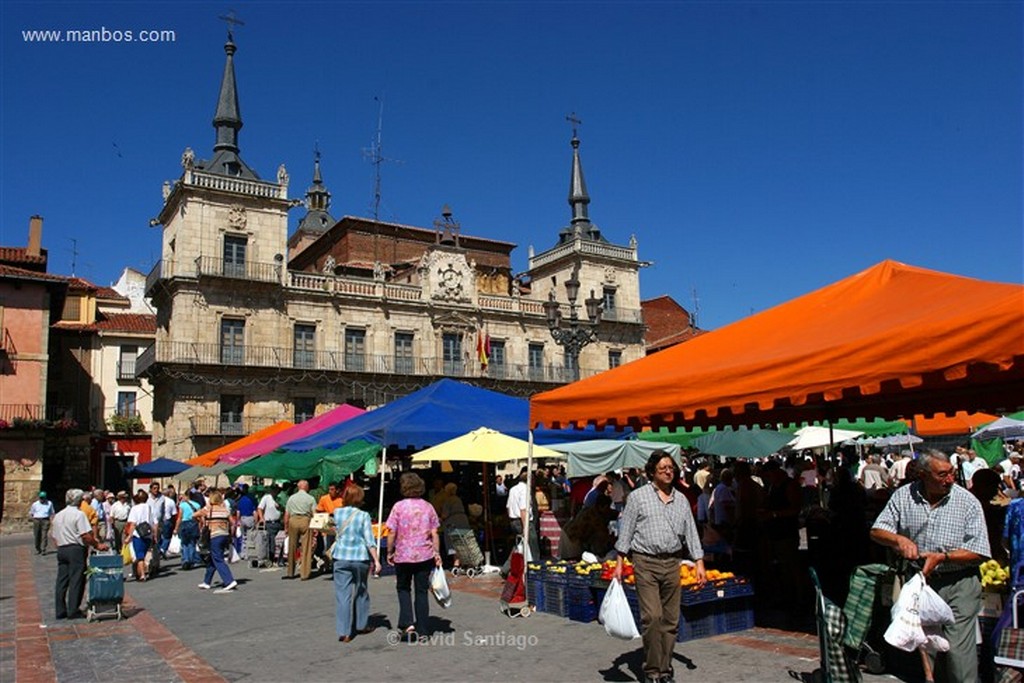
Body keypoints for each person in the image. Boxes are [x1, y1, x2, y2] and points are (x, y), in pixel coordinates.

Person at [870, 449, 990, 683]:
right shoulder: (903, 496)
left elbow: (980, 551)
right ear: (924, 475)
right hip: (921, 583)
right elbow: (877, 530)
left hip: (959, 582)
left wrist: (943, 557)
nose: (950, 480)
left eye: (952, 473)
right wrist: (899, 539)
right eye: (942, 475)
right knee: (927, 647)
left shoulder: (967, 502)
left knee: (958, 651)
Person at [614, 451, 706, 683]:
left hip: (673, 562)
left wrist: (699, 562)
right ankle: (652, 670)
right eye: (663, 468)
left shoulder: (681, 500)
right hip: (645, 562)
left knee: (670, 620)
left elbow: (691, 533)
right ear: (652, 472)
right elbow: (626, 531)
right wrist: (619, 562)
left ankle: (665, 670)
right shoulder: (638, 497)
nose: (668, 471)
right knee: (652, 617)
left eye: (671, 468)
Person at [386, 472, 442, 640]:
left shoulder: (398, 507)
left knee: (403, 588)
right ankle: (423, 630)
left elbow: (391, 532)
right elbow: (435, 533)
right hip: (424, 554)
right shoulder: (428, 507)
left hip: (403, 554)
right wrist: (437, 553)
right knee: (421, 591)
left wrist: (389, 551)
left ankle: (407, 622)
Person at [332, 484, 381, 642]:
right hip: (360, 557)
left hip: (341, 557)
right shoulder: (363, 515)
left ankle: (344, 631)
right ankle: (361, 624)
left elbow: (334, 530)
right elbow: (369, 540)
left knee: (343, 595)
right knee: (361, 591)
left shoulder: (337, 513)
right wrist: (376, 560)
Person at [52, 489, 108, 619]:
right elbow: (85, 535)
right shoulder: (79, 515)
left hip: (62, 548)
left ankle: (60, 610)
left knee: (62, 580)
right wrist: (97, 545)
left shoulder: (58, 515)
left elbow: (54, 535)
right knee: (77, 579)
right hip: (75, 549)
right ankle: (73, 609)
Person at [195, 490, 238, 592]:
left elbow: (194, 514)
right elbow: (233, 522)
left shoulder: (208, 509)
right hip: (224, 535)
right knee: (212, 559)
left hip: (214, 535)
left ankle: (229, 580)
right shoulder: (225, 510)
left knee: (218, 559)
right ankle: (207, 581)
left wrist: (203, 520)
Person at [283, 479, 316, 579]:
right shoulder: (310, 498)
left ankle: (290, 572)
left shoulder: (291, 498)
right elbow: (315, 514)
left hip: (293, 520)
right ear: (306, 487)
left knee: (292, 546)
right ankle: (304, 573)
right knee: (306, 547)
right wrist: (315, 528)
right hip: (306, 520)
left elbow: (286, 514)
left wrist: (286, 527)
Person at [506, 466, 540, 560]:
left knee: (519, 546)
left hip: (514, 520)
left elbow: (508, 507)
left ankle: (505, 568)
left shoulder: (513, 489)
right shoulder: (525, 490)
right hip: (523, 521)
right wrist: (525, 527)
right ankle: (535, 567)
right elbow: (523, 510)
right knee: (533, 546)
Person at [124, 490, 157, 581]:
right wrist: (155, 535)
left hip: (138, 534)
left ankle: (142, 574)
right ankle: (142, 571)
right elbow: (155, 523)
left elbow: (133, 523)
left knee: (139, 555)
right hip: (148, 533)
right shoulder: (150, 508)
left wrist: (129, 536)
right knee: (146, 554)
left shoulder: (135, 508)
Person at [439, 482, 471, 568]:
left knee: (454, 542)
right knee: (462, 542)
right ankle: (463, 562)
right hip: (463, 521)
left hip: (453, 522)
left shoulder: (448, 500)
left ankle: (456, 563)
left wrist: (439, 520)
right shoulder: (458, 499)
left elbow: (445, 515)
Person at [175, 489, 202, 570]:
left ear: (187, 496)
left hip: (184, 524)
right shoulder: (197, 505)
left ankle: (186, 560)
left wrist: (176, 528)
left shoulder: (182, 505)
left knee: (184, 543)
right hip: (194, 524)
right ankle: (191, 559)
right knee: (192, 543)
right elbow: (199, 517)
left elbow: (180, 517)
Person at [257, 484, 283, 564]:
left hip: (278, 522)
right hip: (270, 522)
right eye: (274, 490)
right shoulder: (266, 498)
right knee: (271, 541)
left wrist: (281, 507)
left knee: (280, 542)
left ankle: (279, 558)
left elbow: (284, 509)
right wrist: (262, 518)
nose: (276, 492)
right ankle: (271, 558)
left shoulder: (280, 498)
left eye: (277, 490)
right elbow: (260, 508)